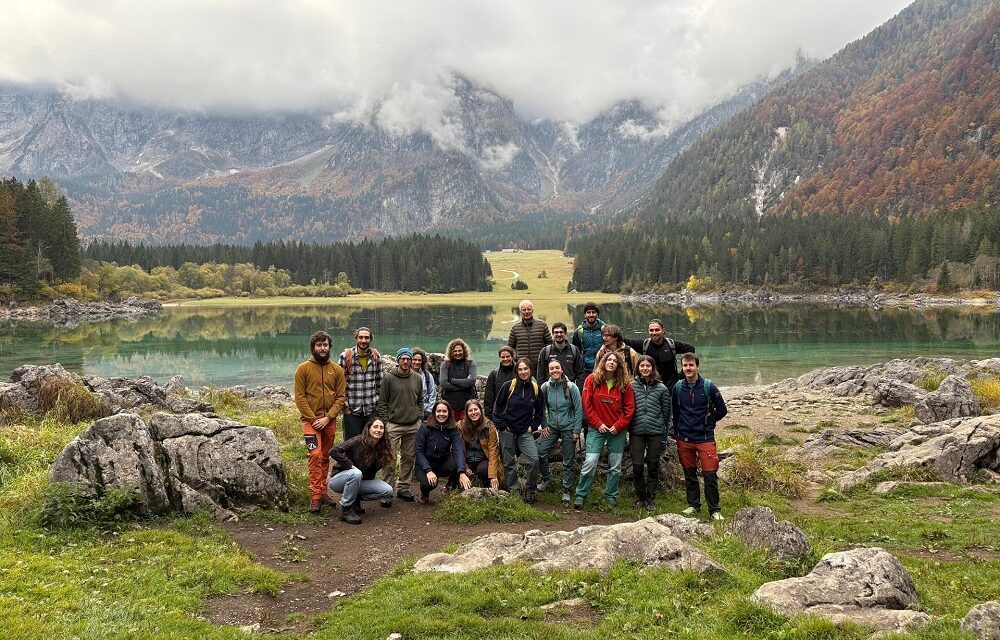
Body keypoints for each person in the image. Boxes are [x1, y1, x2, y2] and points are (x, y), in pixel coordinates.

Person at [294, 330, 347, 513]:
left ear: (329, 347)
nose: (322, 348)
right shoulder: (303, 369)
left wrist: (328, 417)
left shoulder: (337, 369)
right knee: (315, 455)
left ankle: (323, 491)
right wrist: (314, 419)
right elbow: (300, 397)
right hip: (311, 422)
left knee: (325, 456)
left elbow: (341, 397)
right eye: (319, 345)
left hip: (329, 421)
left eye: (325, 345)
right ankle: (315, 495)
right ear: (313, 347)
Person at [574, 351, 635, 509]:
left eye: (615, 360)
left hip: (617, 431)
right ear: (603, 362)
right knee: (590, 462)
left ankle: (611, 495)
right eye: (609, 359)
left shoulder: (624, 384)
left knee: (615, 466)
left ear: (619, 365)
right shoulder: (592, 379)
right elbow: (587, 405)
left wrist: (619, 426)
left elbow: (629, 409)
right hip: (596, 429)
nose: (612, 362)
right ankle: (581, 494)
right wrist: (598, 424)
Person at [672, 352, 728, 521]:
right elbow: (675, 412)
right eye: (685, 365)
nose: (688, 368)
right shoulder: (678, 387)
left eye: (691, 365)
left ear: (697, 366)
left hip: (705, 438)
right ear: (682, 367)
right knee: (689, 473)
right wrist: (678, 432)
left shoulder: (708, 387)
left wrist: (709, 423)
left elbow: (722, 410)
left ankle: (714, 510)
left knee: (710, 474)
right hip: (684, 438)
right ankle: (693, 505)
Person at [377, 347, 424, 505]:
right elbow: (382, 402)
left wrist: (420, 416)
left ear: (411, 361)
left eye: (408, 359)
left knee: (408, 458)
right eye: (403, 358)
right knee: (389, 459)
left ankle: (403, 487)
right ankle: (386, 490)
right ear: (398, 360)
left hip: (413, 425)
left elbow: (420, 400)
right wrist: (386, 421)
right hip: (394, 425)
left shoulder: (417, 378)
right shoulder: (389, 378)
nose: (406, 361)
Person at [493, 357, 543, 502]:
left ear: (530, 370)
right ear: (516, 371)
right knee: (509, 463)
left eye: (525, 369)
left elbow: (540, 412)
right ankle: (513, 491)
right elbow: (497, 408)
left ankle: (530, 489)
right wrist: (502, 426)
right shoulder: (508, 386)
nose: (523, 372)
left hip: (524, 431)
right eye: (520, 369)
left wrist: (532, 426)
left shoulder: (535, 389)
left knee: (533, 460)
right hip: (507, 430)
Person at [328, 417, 395, 524]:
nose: (378, 430)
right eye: (375, 427)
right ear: (368, 429)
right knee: (356, 473)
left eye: (381, 428)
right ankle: (346, 510)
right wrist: (350, 465)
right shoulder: (357, 441)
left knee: (387, 490)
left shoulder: (382, 447)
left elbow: (371, 473)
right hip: (339, 480)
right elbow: (334, 451)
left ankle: (355, 499)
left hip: (359, 481)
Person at [536, 359, 583, 506]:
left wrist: (576, 430)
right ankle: (547, 478)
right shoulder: (545, 387)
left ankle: (566, 490)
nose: (555, 370)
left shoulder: (571, 387)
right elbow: (541, 408)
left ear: (562, 370)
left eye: (557, 368)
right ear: (548, 371)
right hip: (552, 427)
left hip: (569, 427)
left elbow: (578, 409)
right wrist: (544, 425)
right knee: (539, 452)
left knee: (568, 460)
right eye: (552, 368)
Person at [629, 355, 671, 511]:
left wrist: (663, 431)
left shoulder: (661, 388)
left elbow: (667, 413)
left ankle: (650, 498)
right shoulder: (631, 386)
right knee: (638, 466)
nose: (645, 368)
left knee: (653, 465)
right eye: (642, 366)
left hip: (655, 432)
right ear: (638, 368)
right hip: (637, 432)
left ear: (653, 368)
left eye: (648, 366)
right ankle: (640, 497)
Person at [415, 400, 472, 503]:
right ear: (434, 412)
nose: (441, 414)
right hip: (424, 464)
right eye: (439, 411)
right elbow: (418, 451)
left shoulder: (453, 429)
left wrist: (462, 472)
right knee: (428, 484)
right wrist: (428, 470)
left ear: (449, 413)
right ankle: (424, 492)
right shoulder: (425, 427)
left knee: (457, 465)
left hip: (442, 462)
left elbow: (458, 450)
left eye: (444, 411)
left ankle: (449, 488)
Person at [339, 326, 383, 441]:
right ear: (356, 339)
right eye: (361, 337)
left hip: (370, 410)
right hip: (352, 410)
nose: (363, 341)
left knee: (370, 442)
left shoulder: (376, 357)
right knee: (351, 443)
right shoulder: (346, 356)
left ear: (370, 339)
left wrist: (377, 404)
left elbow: (379, 383)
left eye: (366, 338)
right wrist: (345, 407)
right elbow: (339, 385)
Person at [625, 319, 695, 390]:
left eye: (657, 330)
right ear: (648, 331)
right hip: (652, 388)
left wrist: (682, 373)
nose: (654, 333)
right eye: (651, 330)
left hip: (671, 387)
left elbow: (691, 349)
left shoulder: (671, 344)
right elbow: (626, 341)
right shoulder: (644, 345)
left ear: (663, 330)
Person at [457, 398, 502, 491]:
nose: (473, 412)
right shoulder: (460, 427)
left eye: (476, 409)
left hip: (483, 460)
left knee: (483, 469)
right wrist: (463, 467)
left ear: (480, 410)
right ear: (466, 413)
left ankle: (485, 485)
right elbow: (457, 451)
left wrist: (493, 475)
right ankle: (452, 485)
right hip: (467, 461)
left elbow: (493, 451)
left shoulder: (489, 427)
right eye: (470, 410)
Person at [537, 321, 585, 388]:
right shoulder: (545, 351)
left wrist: (579, 390)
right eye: (556, 332)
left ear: (566, 334)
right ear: (552, 334)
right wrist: (542, 392)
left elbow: (580, 373)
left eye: (561, 332)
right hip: (551, 389)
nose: (559, 334)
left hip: (570, 389)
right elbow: (540, 375)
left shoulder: (574, 350)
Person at [439, 338, 477, 422]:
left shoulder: (470, 363)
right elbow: (444, 384)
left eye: (460, 350)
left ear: (464, 351)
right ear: (451, 352)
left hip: (467, 406)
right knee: (450, 431)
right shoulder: (445, 364)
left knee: (466, 431)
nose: (458, 353)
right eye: (455, 351)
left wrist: (452, 380)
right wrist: (464, 385)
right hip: (450, 406)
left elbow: (472, 381)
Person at [507, 299, 552, 366]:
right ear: (520, 311)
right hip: (522, 367)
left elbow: (549, 344)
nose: (526, 312)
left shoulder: (542, 325)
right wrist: (516, 358)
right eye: (524, 310)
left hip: (540, 365)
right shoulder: (515, 328)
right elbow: (510, 347)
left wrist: (545, 358)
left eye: (529, 309)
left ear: (532, 310)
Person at [483, 345, 517, 422]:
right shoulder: (494, 374)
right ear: (500, 358)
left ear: (512, 356)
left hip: (517, 415)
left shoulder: (519, 372)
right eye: (503, 357)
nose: (505, 359)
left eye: (508, 356)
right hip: (499, 416)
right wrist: (490, 418)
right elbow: (488, 399)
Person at [572, 301, 606, 372]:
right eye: (588, 312)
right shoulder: (578, 332)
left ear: (597, 314)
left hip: (603, 368)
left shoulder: (605, 330)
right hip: (585, 370)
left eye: (593, 312)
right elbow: (575, 353)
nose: (591, 315)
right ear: (585, 315)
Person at [411, 348, 437, 421]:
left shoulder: (427, 376)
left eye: (419, 360)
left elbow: (432, 394)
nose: (417, 362)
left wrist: (429, 411)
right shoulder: (405, 375)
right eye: (414, 359)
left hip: (424, 411)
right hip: (408, 412)